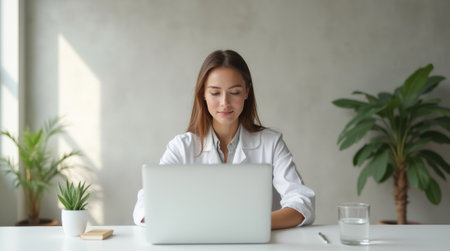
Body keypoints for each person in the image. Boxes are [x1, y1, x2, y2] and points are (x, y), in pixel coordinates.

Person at [133, 50, 315, 229]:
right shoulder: (181, 147)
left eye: (234, 92)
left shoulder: (271, 143)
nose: (224, 103)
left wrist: (248, 223)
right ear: (203, 94)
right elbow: (144, 207)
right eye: (215, 93)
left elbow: (302, 202)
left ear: (246, 92)